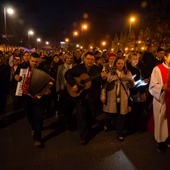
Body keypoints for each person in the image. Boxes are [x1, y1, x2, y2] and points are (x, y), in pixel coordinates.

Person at [65, 51, 107, 145]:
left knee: (91, 115)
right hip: (80, 96)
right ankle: (83, 136)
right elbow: (67, 74)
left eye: (92, 59)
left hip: (92, 97)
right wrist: (73, 84)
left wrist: (103, 78)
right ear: (84, 59)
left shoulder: (97, 69)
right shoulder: (78, 67)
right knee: (81, 116)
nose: (90, 61)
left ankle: (87, 130)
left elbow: (100, 82)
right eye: (88, 59)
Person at [14, 52, 51, 148]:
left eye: (36, 62)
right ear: (29, 60)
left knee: (38, 116)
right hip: (26, 97)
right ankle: (33, 126)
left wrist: (47, 91)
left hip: (39, 98)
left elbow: (50, 83)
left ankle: (37, 138)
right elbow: (16, 75)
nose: (34, 63)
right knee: (30, 115)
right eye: (32, 61)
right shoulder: (22, 68)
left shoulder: (44, 70)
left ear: (39, 61)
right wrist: (17, 77)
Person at [101, 56, 134, 141]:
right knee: (109, 114)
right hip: (112, 97)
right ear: (115, 64)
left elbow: (131, 86)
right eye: (118, 63)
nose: (120, 65)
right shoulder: (111, 73)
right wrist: (103, 95)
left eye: (122, 63)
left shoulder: (128, 72)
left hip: (123, 98)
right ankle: (106, 124)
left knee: (121, 115)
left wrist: (131, 82)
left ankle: (119, 133)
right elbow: (105, 85)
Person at [149, 48, 170, 153]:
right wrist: (161, 87)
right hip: (162, 99)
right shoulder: (157, 69)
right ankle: (161, 141)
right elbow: (152, 85)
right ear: (165, 57)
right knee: (162, 121)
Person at [56, 52, 76, 129]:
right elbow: (58, 78)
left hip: (72, 89)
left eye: (71, 58)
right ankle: (66, 121)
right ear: (65, 59)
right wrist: (57, 89)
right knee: (65, 106)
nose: (69, 60)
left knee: (72, 105)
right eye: (67, 58)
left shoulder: (75, 67)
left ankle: (70, 119)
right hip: (63, 88)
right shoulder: (60, 67)